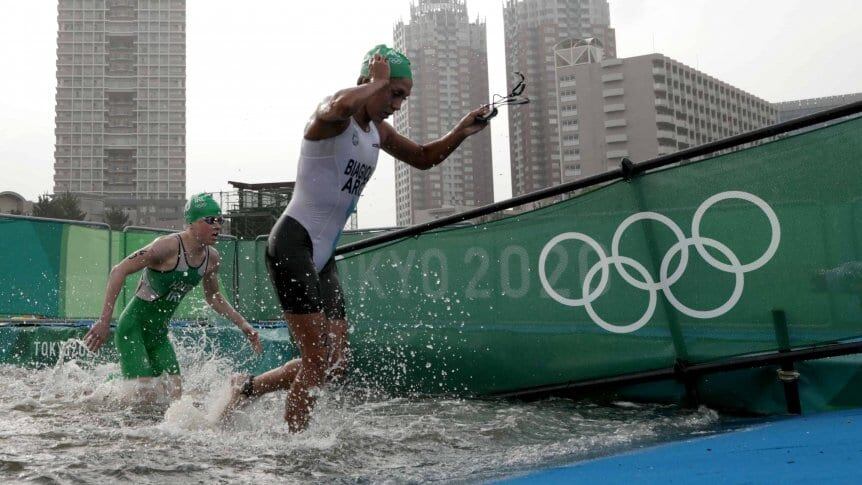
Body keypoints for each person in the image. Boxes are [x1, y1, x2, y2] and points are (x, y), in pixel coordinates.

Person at [219, 44, 491, 431]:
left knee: (334, 363)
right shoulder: (330, 119)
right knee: (315, 361)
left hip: (324, 253)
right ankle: (296, 449)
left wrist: (463, 129)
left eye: (403, 96)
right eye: (393, 93)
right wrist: (375, 82)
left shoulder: (377, 131)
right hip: (293, 244)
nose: (397, 104)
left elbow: (424, 157)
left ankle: (245, 389)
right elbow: (340, 104)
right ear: (369, 82)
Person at [83, 193, 262, 401]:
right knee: (143, 397)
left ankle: (109, 386)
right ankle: (99, 394)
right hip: (132, 329)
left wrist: (244, 325)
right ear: (191, 223)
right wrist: (104, 321)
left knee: (174, 397)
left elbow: (213, 296)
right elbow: (118, 271)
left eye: (220, 220)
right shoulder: (166, 247)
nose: (217, 226)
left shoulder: (212, 258)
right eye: (210, 220)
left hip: (158, 335)